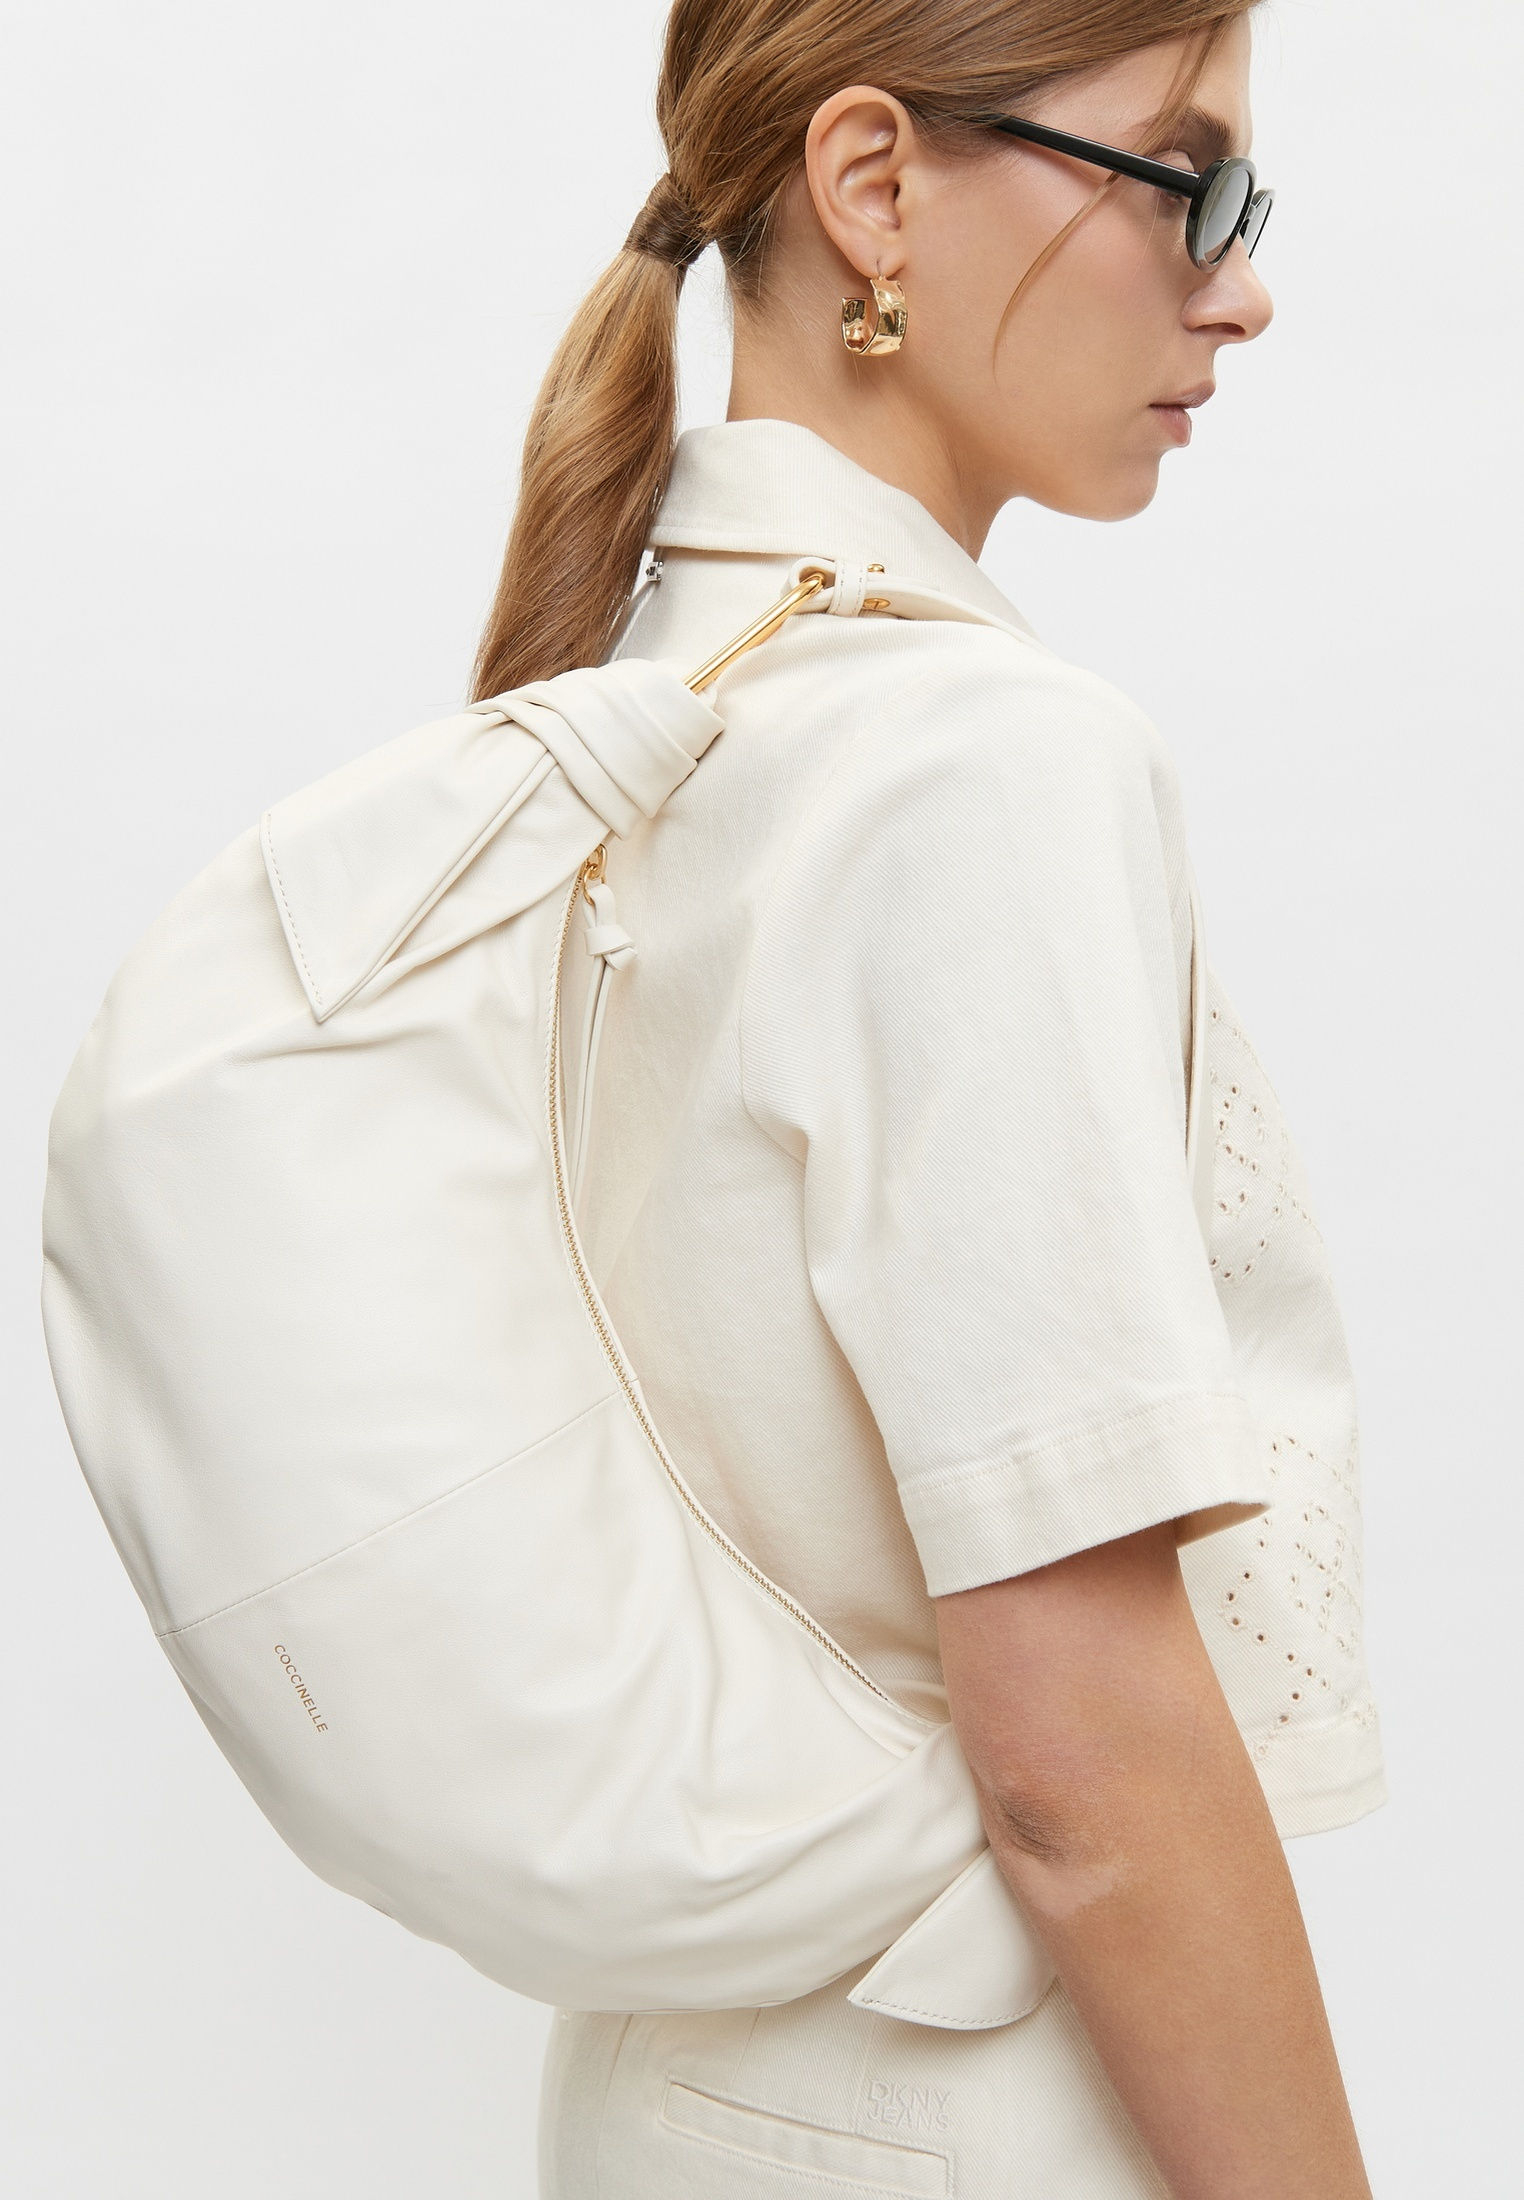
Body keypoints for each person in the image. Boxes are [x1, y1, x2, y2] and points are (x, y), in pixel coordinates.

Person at [471, 3, 1388, 2193]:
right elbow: (1082, 1768)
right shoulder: (979, 763)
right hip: (966, 2111)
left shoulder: (628, 700)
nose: (1243, 288)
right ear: (874, 186)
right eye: (1190, 181)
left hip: (676, 2102)